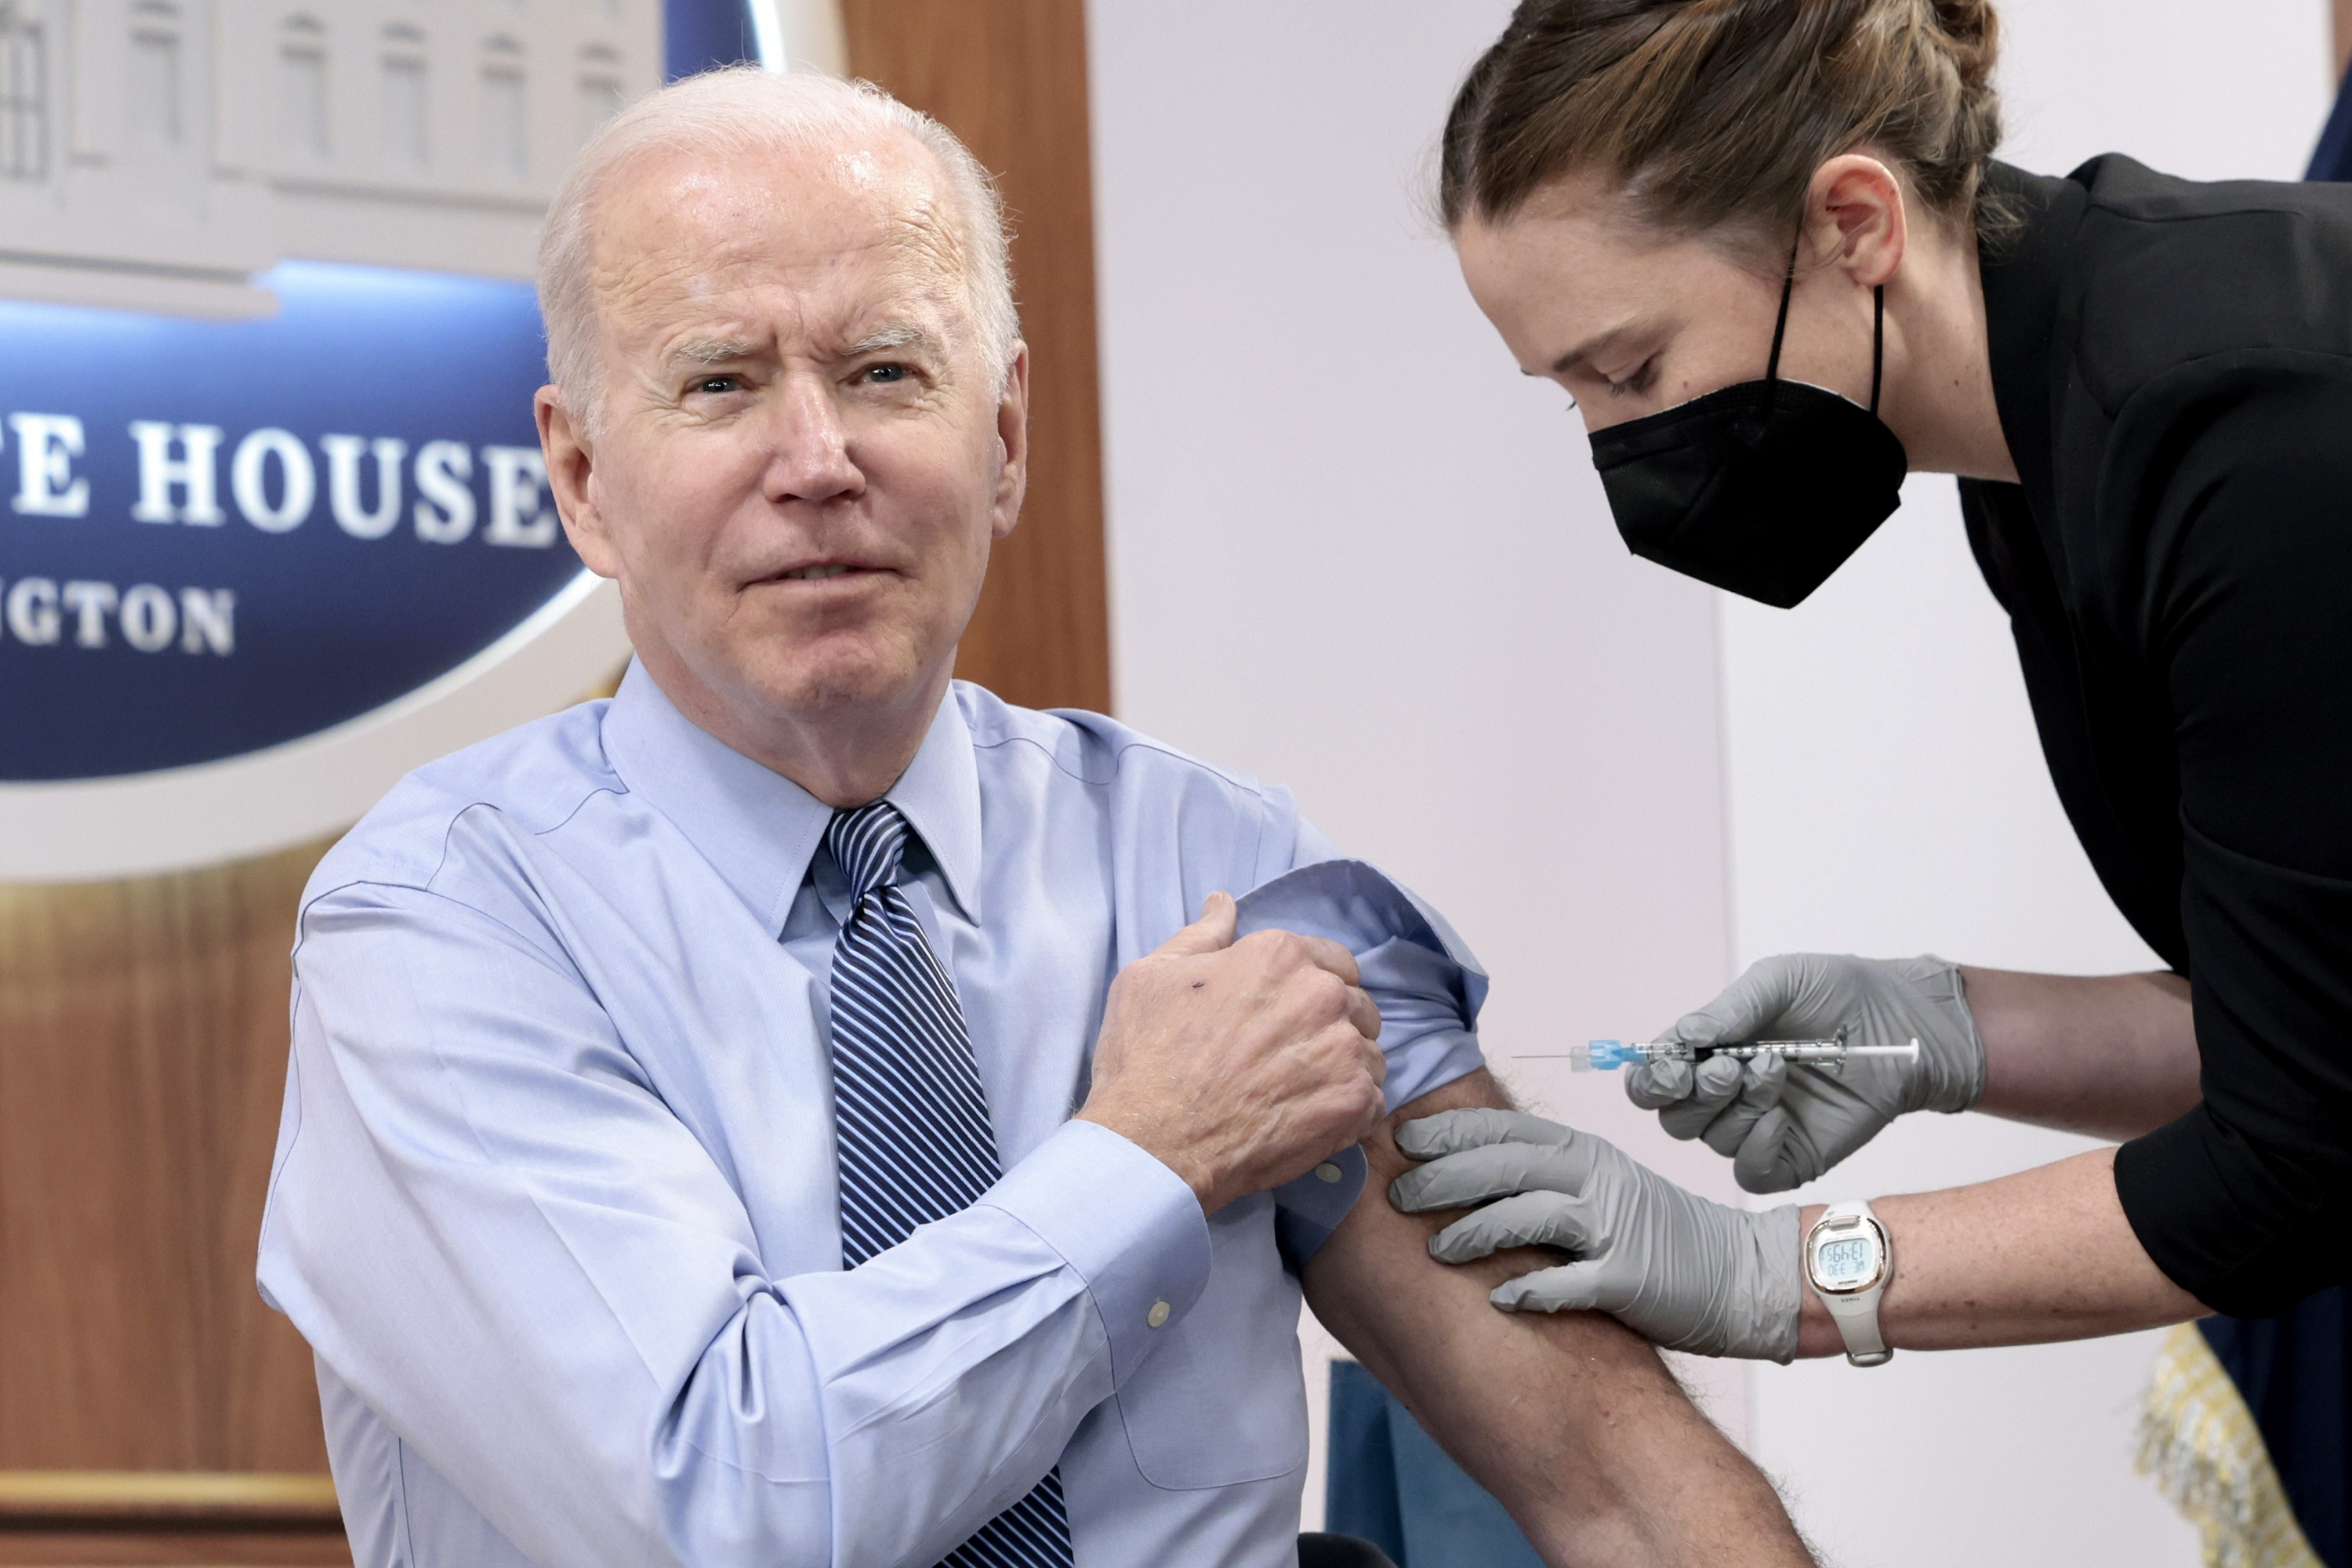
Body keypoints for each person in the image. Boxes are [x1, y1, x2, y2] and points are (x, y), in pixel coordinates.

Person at [253, 67, 1813, 1568]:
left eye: (886, 371)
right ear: (583, 475)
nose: (819, 462)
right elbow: (726, 1502)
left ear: (1001, 438)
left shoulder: (1235, 875)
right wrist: (1144, 1157)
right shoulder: (442, 920)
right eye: (721, 381)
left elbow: (1612, 1476)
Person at [1394, 0, 2352, 1385]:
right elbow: (2305, 1027)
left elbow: (2298, 1160)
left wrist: (1771, 1270)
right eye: (1572, 396)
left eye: (1632, 370)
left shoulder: (2239, 441)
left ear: (1854, 222)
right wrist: (1937, 1029)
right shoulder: (2046, 446)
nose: (1616, 446)